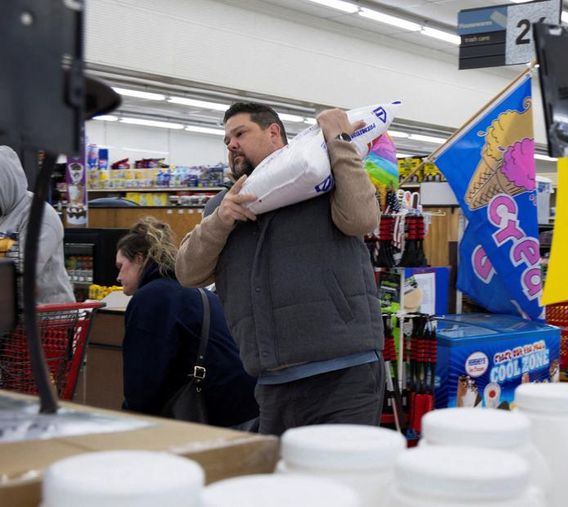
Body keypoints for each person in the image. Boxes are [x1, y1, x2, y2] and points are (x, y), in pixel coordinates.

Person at [175, 102, 383, 435]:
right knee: (284, 484)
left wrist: (338, 140)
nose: (231, 145)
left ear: (274, 132)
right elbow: (187, 273)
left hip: (344, 374)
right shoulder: (223, 206)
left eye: (240, 133)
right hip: (273, 382)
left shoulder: (322, 179)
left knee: (341, 481)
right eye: (226, 139)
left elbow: (363, 219)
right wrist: (220, 221)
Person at [117, 217, 258, 428]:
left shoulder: (151, 298)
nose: (118, 276)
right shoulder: (191, 289)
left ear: (139, 259)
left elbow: (142, 383)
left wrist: (128, 424)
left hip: (213, 412)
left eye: (121, 266)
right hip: (246, 404)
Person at [0, 146, 74, 304]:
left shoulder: (40, 216)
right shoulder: (3, 214)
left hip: (50, 319)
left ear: (5, 182)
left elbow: (23, 272)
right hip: (12, 315)